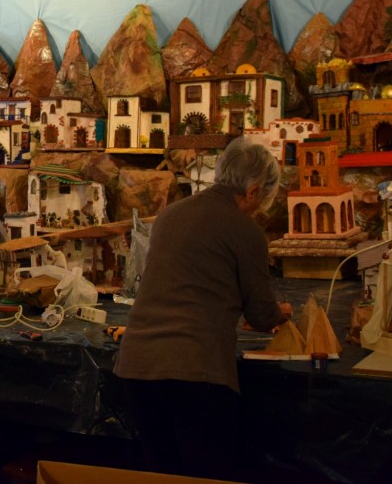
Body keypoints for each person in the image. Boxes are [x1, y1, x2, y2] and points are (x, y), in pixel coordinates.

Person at [114, 137, 292, 480]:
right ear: (253, 191)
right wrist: (280, 312)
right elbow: (261, 314)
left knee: (162, 474)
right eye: (262, 199)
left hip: (136, 367)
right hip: (195, 373)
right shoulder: (246, 231)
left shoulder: (170, 215)